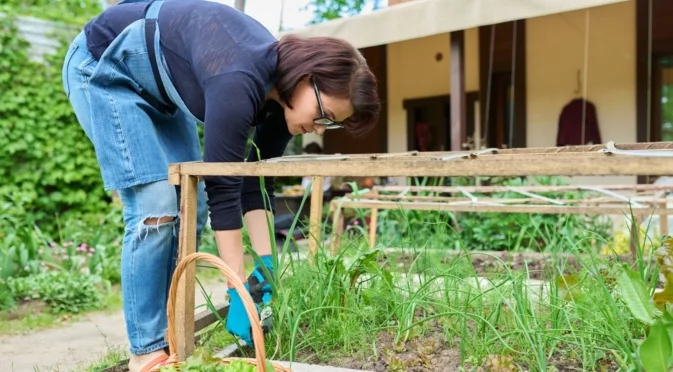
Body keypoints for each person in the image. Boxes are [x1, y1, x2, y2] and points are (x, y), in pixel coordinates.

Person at [61, 0, 380, 370]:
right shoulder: (240, 77)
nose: (321, 128)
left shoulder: (282, 100)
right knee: (156, 204)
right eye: (324, 115)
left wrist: (264, 268)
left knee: (187, 205)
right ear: (308, 77)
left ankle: (168, 335)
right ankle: (146, 351)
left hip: (159, 93)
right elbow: (223, 187)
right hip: (101, 65)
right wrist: (238, 288)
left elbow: (253, 186)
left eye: (333, 123)